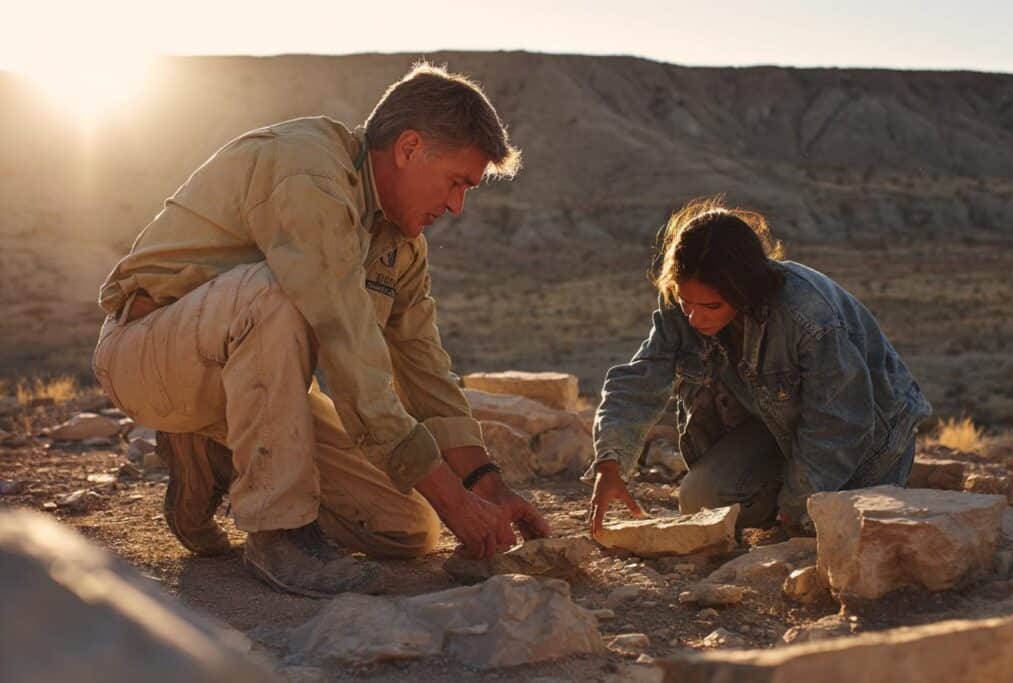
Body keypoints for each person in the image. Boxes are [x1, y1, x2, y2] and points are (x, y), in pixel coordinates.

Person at [92, 63, 549, 598]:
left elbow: (424, 368)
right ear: (408, 148)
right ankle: (278, 531)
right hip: (146, 358)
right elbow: (354, 359)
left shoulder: (400, 242)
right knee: (276, 292)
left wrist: (484, 488)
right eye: (456, 183)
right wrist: (457, 506)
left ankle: (213, 452)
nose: (456, 206)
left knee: (407, 527)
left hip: (246, 377)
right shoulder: (309, 170)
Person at [587, 197, 931, 536]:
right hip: (778, 429)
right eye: (684, 300)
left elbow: (841, 422)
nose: (694, 317)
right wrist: (610, 463)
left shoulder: (807, 316)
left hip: (868, 443)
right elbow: (639, 380)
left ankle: (797, 506)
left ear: (744, 290)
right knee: (701, 500)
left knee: (835, 534)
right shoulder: (685, 310)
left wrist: (796, 506)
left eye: (710, 305)